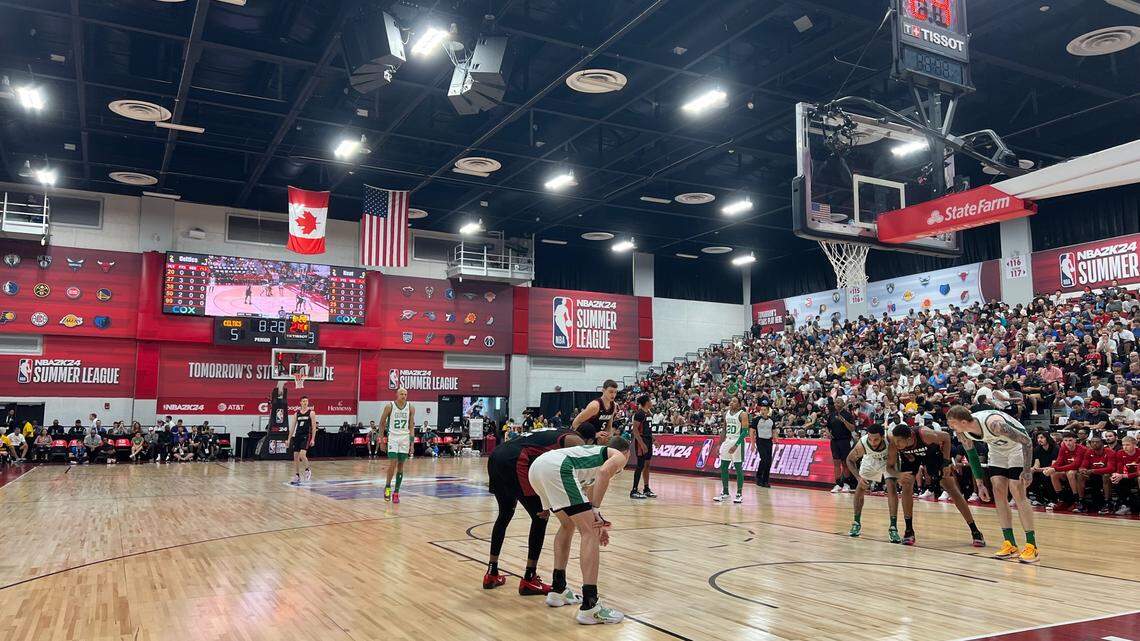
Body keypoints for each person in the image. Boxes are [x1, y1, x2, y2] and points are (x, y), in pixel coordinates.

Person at [483, 423, 595, 593]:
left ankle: (491, 572)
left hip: (498, 454)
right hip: (516, 459)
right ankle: (529, 577)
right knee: (540, 516)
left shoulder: (559, 430)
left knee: (505, 514)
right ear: (589, 440)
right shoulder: (576, 440)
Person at [529, 437, 631, 625]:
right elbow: (603, 473)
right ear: (627, 452)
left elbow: (587, 497)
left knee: (568, 525)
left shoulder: (589, 458)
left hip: (537, 468)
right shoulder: (619, 456)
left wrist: (595, 517)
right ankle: (590, 606)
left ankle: (558, 590)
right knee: (590, 532)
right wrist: (596, 515)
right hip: (556, 467)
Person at [946, 406, 1038, 564]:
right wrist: (980, 483)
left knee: (1016, 489)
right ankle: (1010, 543)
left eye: (953, 423)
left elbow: (1027, 441)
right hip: (997, 450)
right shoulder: (961, 431)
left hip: (1017, 448)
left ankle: (1031, 545)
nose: (951, 427)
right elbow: (972, 454)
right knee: (998, 490)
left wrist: (1027, 470)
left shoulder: (995, 424)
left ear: (963, 421)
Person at [887, 424, 985, 547]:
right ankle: (908, 530)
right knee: (906, 486)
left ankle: (975, 530)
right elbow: (889, 467)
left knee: (951, 488)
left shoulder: (925, 435)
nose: (895, 444)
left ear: (909, 438)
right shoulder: (894, 443)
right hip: (911, 458)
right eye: (894, 441)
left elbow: (947, 437)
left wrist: (945, 462)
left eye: (898, 442)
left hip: (932, 454)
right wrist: (898, 474)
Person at [846, 424, 901, 543]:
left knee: (891, 487)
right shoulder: (863, 443)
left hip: (888, 462)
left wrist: (900, 474)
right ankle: (856, 522)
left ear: (882, 437)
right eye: (870, 438)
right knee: (860, 487)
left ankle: (893, 527)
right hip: (870, 460)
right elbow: (849, 460)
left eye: (876, 439)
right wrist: (858, 478)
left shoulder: (890, 440)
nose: (873, 442)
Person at [381, 387, 415, 503]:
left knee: (401, 464)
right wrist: (381, 440)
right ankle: (387, 486)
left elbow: (411, 426)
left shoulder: (411, 407)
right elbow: (381, 424)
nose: (403, 396)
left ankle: (396, 492)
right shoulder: (390, 406)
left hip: (405, 438)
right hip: (393, 437)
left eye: (405, 394)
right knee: (393, 462)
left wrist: (412, 444)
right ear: (396, 394)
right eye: (401, 394)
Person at [714, 396, 749, 504]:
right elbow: (724, 430)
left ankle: (739, 494)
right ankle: (725, 492)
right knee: (724, 466)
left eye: (734, 401)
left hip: (737, 441)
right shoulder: (726, 413)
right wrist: (719, 444)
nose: (731, 403)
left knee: (738, 468)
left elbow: (745, 432)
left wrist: (736, 445)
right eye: (731, 401)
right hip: (727, 440)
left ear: (739, 404)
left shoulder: (743, 414)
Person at [629, 395, 656, 499]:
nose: (652, 401)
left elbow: (648, 430)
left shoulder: (649, 413)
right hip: (641, 441)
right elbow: (635, 430)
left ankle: (646, 488)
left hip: (648, 440)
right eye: (650, 400)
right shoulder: (639, 414)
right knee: (640, 465)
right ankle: (634, 490)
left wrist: (654, 440)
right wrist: (642, 444)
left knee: (647, 465)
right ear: (646, 402)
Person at [828, 399, 857, 493]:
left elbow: (852, 428)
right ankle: (838, 484)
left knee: (845, 463)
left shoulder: (848, 415)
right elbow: (827, 427)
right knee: (836, 463)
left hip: (844, 441)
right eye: (835, 402)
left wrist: (844, 420)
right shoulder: (832, 415)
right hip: (834, 441)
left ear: (843, 404)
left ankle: (846, 484)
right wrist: (828, 433)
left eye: (838, 402)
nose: (836, 404)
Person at [288, 395, 317, 485]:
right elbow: (292, 427)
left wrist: (313, 439)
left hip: (306, 436)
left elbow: (314, 427)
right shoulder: (296, 414)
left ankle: (308, 469)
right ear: (300, 402)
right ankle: (297, 476)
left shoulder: (311, 413)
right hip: (297, 436)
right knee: (295, 456)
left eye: (306, 401)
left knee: (302, 454)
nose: (305, 402)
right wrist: (288, 439)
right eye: (303, 401)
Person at [752, 403, 775, 488]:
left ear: (768, 411)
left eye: (764, 410)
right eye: (761, 410)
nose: (762, 411)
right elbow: (752, 431)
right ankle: (759, 477)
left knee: (768, 461)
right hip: (760, 441)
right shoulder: (756, 419)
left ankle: (766, 480)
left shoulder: (772, 420)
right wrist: (752, 443)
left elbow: (774, 429)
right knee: (764, 459)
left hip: (769, 441)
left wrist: (776, 439)